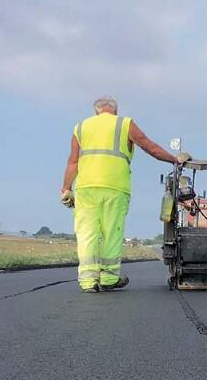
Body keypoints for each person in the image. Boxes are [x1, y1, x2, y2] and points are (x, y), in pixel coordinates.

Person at [60, 97, 190, 293]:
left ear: (96, 112)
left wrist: (66, 188)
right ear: (115, 110)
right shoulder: (124, 123)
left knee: (87, 234)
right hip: (115, 188)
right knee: (112, 231)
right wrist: (173, 159)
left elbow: (72, 162)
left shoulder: (81, 127)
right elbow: (149, 146)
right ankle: (109, 278)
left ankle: (87, 282)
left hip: (86, 189)